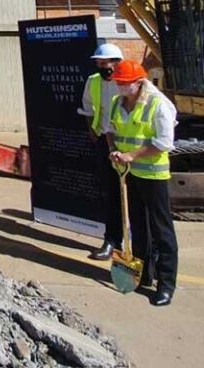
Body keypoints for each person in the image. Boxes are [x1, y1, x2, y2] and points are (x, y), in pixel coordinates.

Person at [108, 60, 178, 307]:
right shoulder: (118, 103)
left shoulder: (157, 105)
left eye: (125, 83)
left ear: (139, 83)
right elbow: (111, 130)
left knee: (161, 230)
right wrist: (114, 150)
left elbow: (164, 142)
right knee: (137, 226)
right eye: (118, 82)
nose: (120, 87)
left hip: (153, 176)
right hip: (129, 174)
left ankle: (166, 284)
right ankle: (143, 273)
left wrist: (132, 155)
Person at [78, 43, 124, 260]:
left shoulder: (127, 83)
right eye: (98, 63)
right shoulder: (94, 82)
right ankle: (111, 240)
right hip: (104, 143)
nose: (101, 67)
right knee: (110, 194)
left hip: (127, 146)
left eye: (104, 63)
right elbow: (87, 107)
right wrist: (91, 130)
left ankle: (133, 244)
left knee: (130, 197)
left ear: (117, 62)